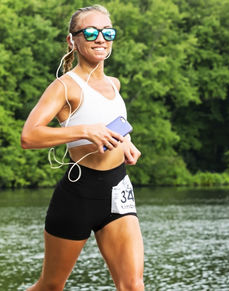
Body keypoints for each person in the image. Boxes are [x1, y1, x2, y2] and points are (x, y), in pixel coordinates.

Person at [21, 4, 144, 291]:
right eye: (90, 32)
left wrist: (127, 143)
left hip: (118, 189)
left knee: (133, 285)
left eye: (107, 32)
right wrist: (85, 131)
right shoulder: (65, 87)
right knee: (51, 285)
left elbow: (111, 125)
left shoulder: (115, 84)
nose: (100, 38)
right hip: (79, 194)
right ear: (72, 40)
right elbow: (29, 136)